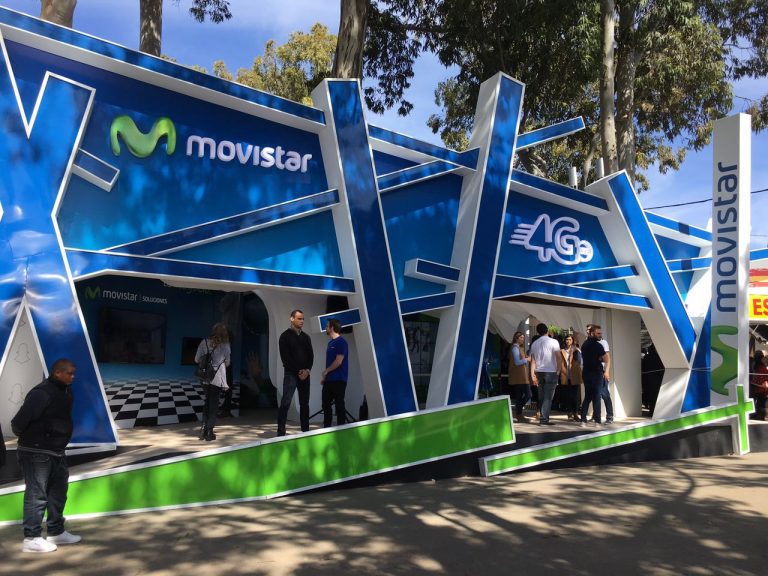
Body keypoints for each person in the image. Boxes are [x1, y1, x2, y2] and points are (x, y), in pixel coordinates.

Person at [11, 359, 81, 553]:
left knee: (58, 492)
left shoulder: (66, 392)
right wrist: (36, 439)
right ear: (57, 373)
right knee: (37, 494)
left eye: (74, 373)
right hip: (36, 452)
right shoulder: (41, 393)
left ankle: (56, 531)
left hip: (56, 451)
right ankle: (31, 538)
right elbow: (18, 423)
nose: (73, 376)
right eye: (70, 373)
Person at [277, 309, 314, 436]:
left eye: (303, 319)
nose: (302, 321)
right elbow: (285, 358)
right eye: (299, 318)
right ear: (291, 319)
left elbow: (311, 356)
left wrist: (307, 371)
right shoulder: (284, 336)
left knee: (304, 404)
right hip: (291, 374)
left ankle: (305, 431)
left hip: (305, 375)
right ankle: (281, 432)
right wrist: (299, 371)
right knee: (286, 402)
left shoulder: (306, 337)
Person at [195, 323, 231, 441]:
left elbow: (196, 359)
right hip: (217, 377)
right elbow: (227, 363)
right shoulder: (226, 345)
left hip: (205, 376)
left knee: (208, 401)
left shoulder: (204, 342)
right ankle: (209, 431)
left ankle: (203, 428)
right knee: (214, 403)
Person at [529, 323, 564, 425]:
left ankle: (543, 417)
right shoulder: (553, 342)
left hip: (539, 371)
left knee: (542, 395)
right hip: (551, 371)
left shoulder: (534, 344)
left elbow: (533, 361)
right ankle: (544, 419)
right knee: (548, 397)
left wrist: (532, 374)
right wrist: (558, 370)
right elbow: (558, 357)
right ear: (547, 330)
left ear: (538, 332)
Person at [320, 318, 349, 427]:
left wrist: (326, 371)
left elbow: (338, 361)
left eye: (327, 326)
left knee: (339, 404)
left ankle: (341, 428)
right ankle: (327, 428)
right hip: (329, 380)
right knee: (325, 404)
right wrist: (325, 376)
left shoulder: (341, 342)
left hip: (339, 379)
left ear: (332, 327)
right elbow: (330, 362)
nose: (325, 328)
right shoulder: (330, 343)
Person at [580, 325, 607, 427]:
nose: (600, 335)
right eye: (598, 333)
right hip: (596, 373)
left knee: (588, 396)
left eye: (600, 333)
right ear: (592, 333)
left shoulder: (584, 345)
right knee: (596, 397)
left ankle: (583, 420)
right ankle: (597, 421)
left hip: (586, 373)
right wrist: (599, 358)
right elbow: (606, 359)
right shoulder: (598, 346)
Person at [588, 324, 614, 424]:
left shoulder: (603, 342)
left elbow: (608, 358)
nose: (588, 332)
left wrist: (606, 371)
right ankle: (596, 416)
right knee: (594, 395)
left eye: (589, 330)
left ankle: (609, 416)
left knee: (605, 394)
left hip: (601, 372)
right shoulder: (589, 343)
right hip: (592, 372)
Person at [507, 331, 532, 423]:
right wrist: (527, 359)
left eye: (523, 337)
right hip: (519, 376)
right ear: (516, 338)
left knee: (519, 396)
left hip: (521, 376)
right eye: (521, 337)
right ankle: (518, 411)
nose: (522, 339)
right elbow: (517, 362)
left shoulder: (519, 348)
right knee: (528, 394)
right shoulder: (515, 348)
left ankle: (519, 414)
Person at [560, 334, 583, 421]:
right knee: (567, 395)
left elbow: (580, 361)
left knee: (575, 395)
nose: (568, 341)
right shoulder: (561, 351)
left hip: (574, 375)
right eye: (567, 339)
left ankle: (575, 413)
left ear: (572, 341)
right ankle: (569, 413)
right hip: (565, 375)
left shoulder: (576, 350)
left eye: (570, 339)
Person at [750, 350, 768, 420]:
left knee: (760, 403)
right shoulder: (761, 367)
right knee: (761, 403)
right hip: (762, 390)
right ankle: (760, 416)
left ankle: (759, 416)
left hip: (759, 389)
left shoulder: (755, 366)